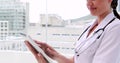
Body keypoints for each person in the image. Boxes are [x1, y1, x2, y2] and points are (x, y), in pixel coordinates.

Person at [25, 0, 120, 63]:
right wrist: (54, 55)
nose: (89, 3)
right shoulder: (89, 26)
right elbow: (78, 60)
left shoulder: (116, 28)